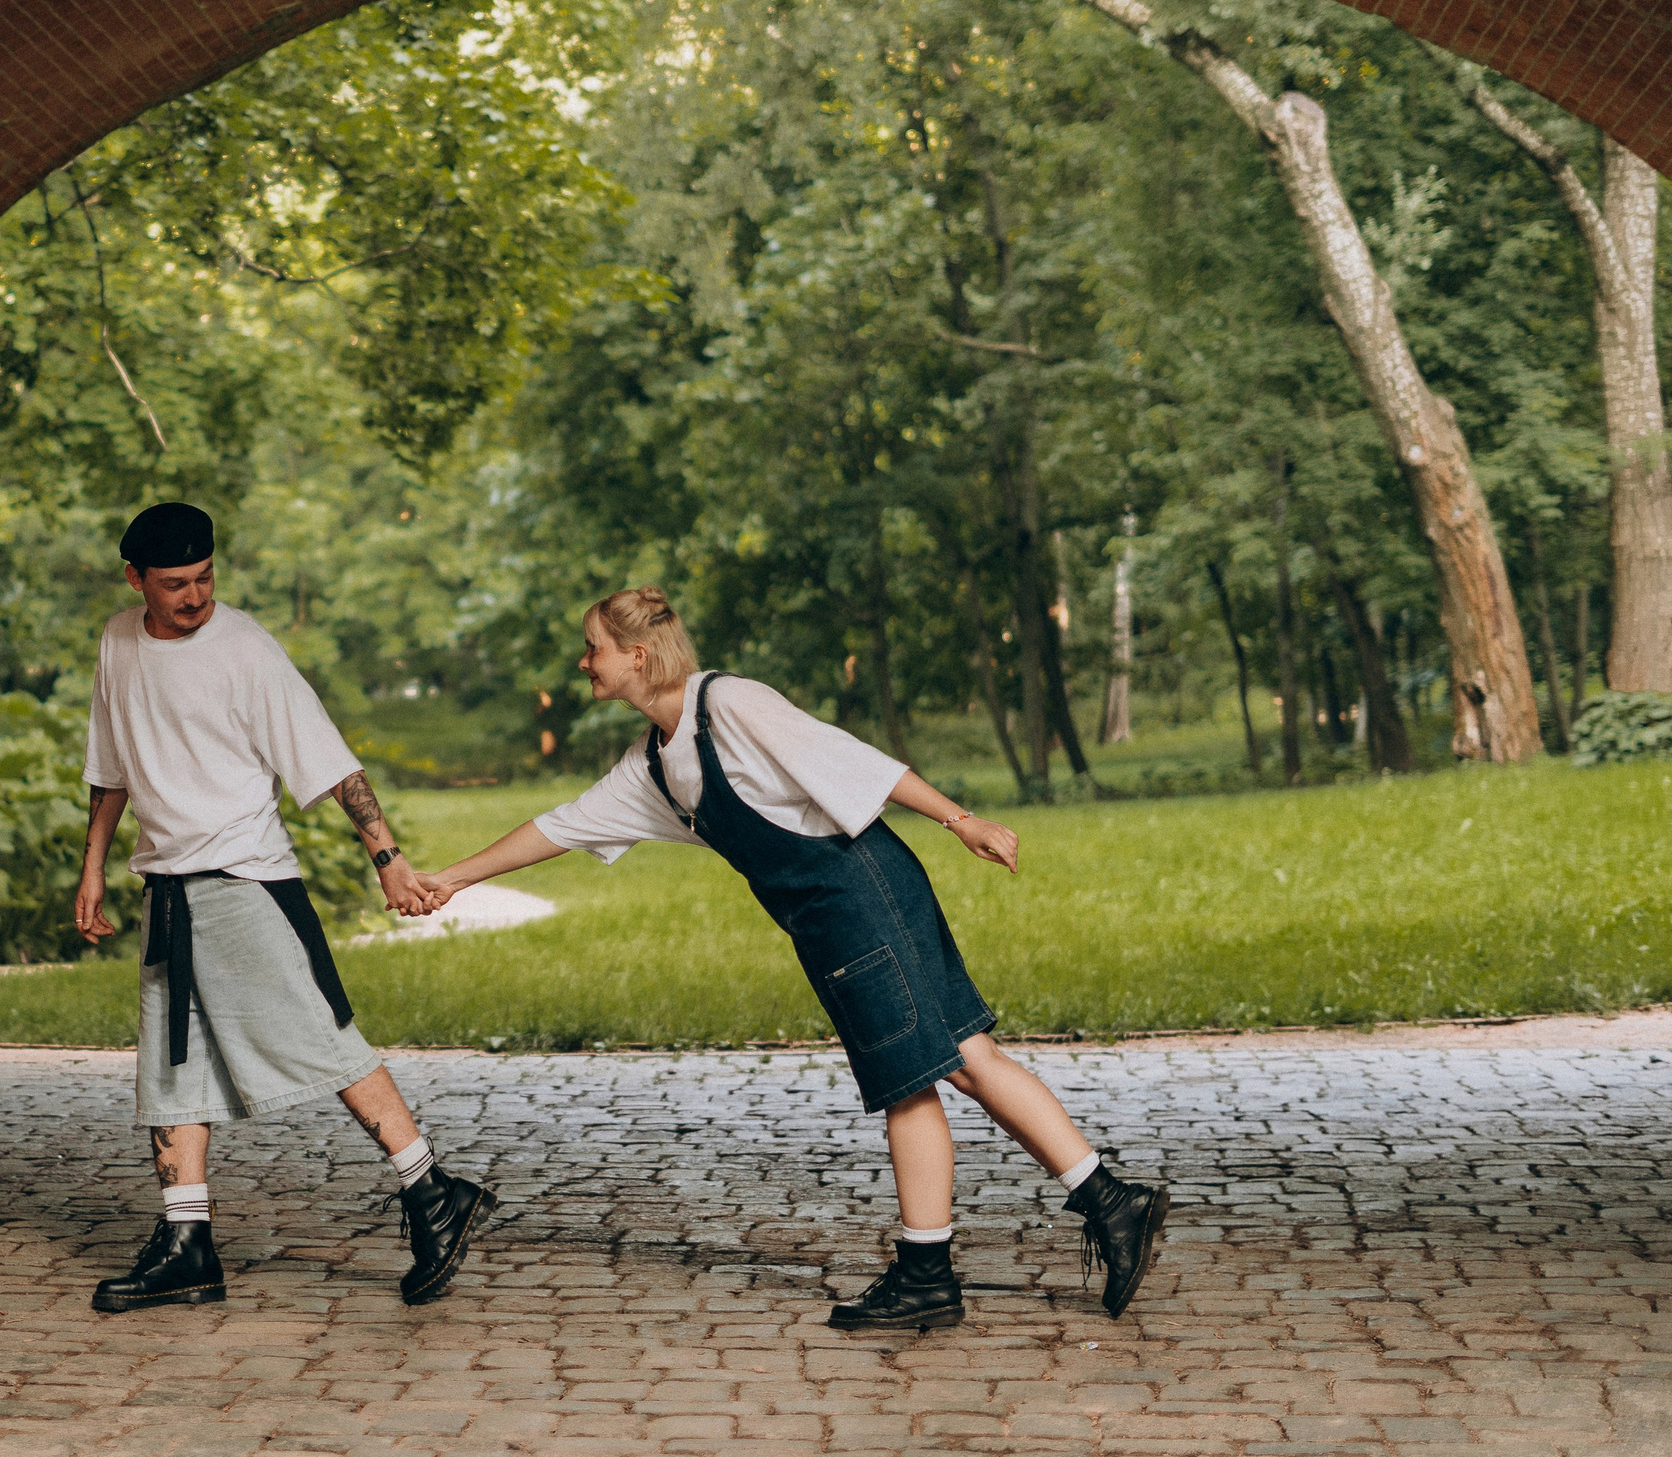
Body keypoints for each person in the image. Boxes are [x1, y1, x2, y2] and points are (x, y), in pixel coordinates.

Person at [418, 587, 1168, 1330]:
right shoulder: (654, 762)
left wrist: (959, 820)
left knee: (911, 1079)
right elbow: (559, 827)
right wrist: (452, 877)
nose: (584, 662)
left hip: (862, 895)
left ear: (635, 656)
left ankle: (929, 1273)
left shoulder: (732, 705)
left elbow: (852, 761)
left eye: (593, 647)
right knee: (969, 1055)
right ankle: (1110, 1201)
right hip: (833, 915)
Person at [73, 502, 494, 1313]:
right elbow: (110, 763)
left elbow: (330, 760)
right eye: (174, 584)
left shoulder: (245, 650)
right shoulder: (118, 641)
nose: (194, 597)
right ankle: (189, 1243)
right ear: (135, 580)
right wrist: (93, 867)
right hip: (170, 889)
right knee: (174, 1071)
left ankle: (430, 1187)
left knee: (321, 1039)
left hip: (242, 883)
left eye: (204, 579)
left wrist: (388, 855)